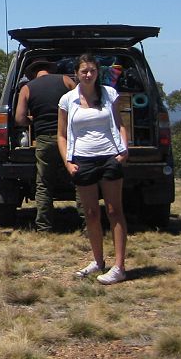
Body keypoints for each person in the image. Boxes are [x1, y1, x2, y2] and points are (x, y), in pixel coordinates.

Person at [58, 53, 130, 284]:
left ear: (98, 72)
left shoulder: (109, 94)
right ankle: (98, 262)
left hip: (110, 156)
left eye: (92, 71)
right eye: (84, 71)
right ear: (76, 74)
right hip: (83, 159)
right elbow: (61, 135)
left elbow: (120, 124)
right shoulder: (68, 99)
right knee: (90, 213)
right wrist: (67, 162)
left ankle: (119, 267)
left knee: (114, 211)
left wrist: (124, 150)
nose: (88, 75)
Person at [15, 60, 76, 231]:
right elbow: (81, 105)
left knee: (44, 184)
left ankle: (44, 226)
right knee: (80, 180)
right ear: (50, 69)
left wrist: (33, 121)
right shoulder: (66, 80)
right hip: (69, 137)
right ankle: (87, 224)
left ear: (33, 73)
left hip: (44, 139)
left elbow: (19, 118)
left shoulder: (27, 88)